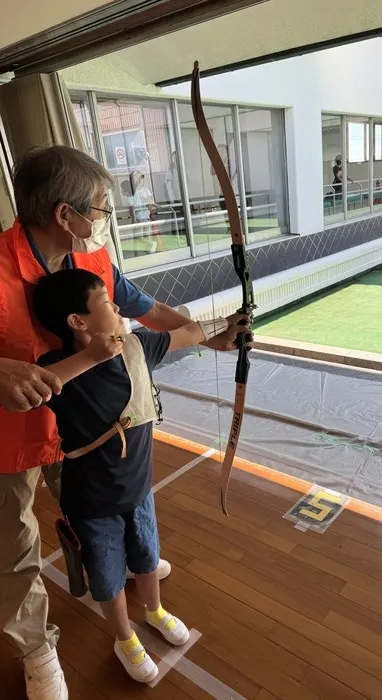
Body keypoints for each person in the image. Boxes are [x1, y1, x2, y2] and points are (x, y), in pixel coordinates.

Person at [0, 145, 250, 700]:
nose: (103, 220)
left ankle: (124, 569)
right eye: (99, 208)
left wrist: (211, 332)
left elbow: (148, 313)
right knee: (14, 549)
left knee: (100, 517)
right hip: (11, 438)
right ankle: (37, 646)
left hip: (86, 435)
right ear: (65, 215)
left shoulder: (92, 265)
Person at [32, 268, 241, 683]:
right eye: (107, 304)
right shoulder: (54, 365)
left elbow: (189, 334)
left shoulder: (137, 346)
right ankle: (124, 637)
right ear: (78, 322)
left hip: (138, 487)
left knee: (147, 556)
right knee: (107, 577)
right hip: (92, 502)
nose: (117, 308)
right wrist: (92, 356)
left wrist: (229, 324)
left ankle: (155, 610)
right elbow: (43, 385)